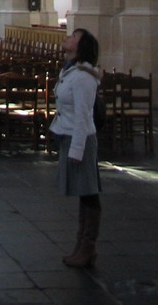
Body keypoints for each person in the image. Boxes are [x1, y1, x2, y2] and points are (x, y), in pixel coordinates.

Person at [49, 28, 102, 267]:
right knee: (84, 193)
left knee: (89, 193)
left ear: (81, 47)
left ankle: (87, 247)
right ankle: (81, 245)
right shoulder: (70, 71)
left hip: (80, 139)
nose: (67, 37)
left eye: (73, 36)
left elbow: (83, 116)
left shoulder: (82, 77)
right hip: (68, 135)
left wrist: (77, 150)